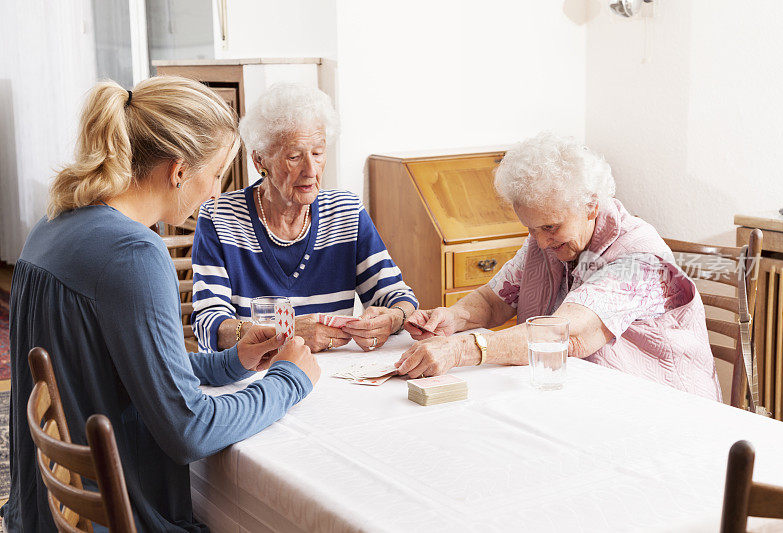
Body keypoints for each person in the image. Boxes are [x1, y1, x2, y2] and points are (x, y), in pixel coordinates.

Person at [4, 76, 320, 532]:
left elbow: (125, 367)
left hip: (47, 516)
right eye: (215, 176)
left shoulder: (52, 224)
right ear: (178, 172)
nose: (214, 194)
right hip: (125, 517)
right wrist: (290, 380)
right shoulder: (133, 255)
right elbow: (188, 429)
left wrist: (232, 361)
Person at [397, 132, 722, 401]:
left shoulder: (641, 260)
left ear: (592, 205)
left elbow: (564, 335)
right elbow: (493, 300)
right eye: (531, 229)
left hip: (660, 404)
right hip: (579, 394)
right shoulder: (550, 241)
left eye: (550, 227)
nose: (539, 243)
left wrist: (460, 350)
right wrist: (452, 319)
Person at [191, 83, 418, 354]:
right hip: (256, 377)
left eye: (318, 153)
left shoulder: (346, 212)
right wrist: (287, 333)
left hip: (333, 375)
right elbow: (208, 325)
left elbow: (398, 297)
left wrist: (392, 319)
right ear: (259, 160)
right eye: (294, 156)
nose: (311, 170)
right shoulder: (220, 218)